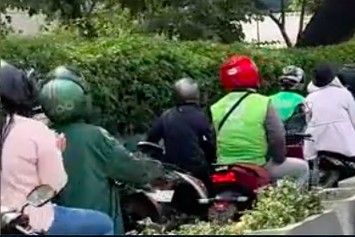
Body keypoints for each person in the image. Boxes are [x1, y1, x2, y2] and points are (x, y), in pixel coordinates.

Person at [39, 66, 162, 235]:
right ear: (82, 100)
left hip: (55, 226)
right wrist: (154, 168)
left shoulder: (40, 136)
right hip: (97, 227)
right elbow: (134, 171)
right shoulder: (95, 137)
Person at [1, 61, 114, 235]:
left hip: (5, 218)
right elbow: (55, 183)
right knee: (104, 224)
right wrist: (56, 153)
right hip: (31, 221)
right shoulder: (34, 130)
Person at [211, 55, 309, 187]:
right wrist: (279, 158)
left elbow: (213, 138)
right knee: (302, 168)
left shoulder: (216, 106)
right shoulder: (263, 102)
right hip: (256, 165)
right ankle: (292, 205)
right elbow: (277, 136)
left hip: (224, 166)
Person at [146, 78, 216, 186]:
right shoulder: (200, 116)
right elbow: (209, 144)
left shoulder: (167, 115)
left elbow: (151, 140)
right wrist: (212, 160)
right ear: (196, 95)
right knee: (211, 191)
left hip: (171, 168)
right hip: (195, 168)